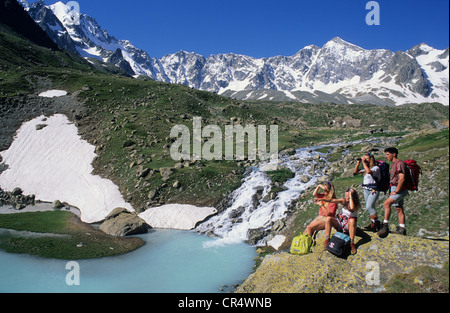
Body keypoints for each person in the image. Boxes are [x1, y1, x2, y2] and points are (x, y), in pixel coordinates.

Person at [378, 147, 410, 238]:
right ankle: (402, 229)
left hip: (399, 189)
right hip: (396, 188)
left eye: (388, 154)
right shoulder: (394, 164)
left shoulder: (399, 164)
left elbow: (402, 178)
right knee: (399, 209)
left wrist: (396, 191)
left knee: (387, 203)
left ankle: (385, 226)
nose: (386, 156)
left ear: (394, 154)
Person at [318, 188, 361, 255]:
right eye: (345, 196)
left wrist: (350, 197)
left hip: (348, 226)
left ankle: (352, 243)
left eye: (348, 196)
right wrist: (321, 199)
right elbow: (332, 200)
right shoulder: (344, 201)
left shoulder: (356, 205)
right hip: (340, 223)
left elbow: (352, 208)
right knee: (328, 219)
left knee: (352, 220)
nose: (346, 197)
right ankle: (327, 239)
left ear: (352, 197)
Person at [353, 153, 381, 232]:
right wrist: (358, 163)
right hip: (366, 189)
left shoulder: (375, 168)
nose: (365, 160)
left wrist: (364, 163)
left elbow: (369, 172)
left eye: (367, 158)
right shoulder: (366, 168)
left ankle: (376, 224)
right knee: (371, 207)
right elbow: (356, 172)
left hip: (373, 189)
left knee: (369, 206)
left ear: (371, 159)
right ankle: (373, 223)